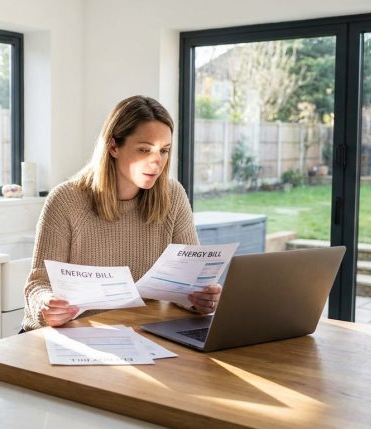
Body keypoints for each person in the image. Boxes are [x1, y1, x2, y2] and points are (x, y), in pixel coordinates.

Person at [22, 95, 222, 331]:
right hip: (77, 336)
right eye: (145, 149)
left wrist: (203, 300)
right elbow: (38, 284)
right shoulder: (66, 201)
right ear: (114, 146)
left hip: (142, 335)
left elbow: (191, 283)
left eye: (164, 151)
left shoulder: (173, 195)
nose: (157, 163)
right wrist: (47, 305)